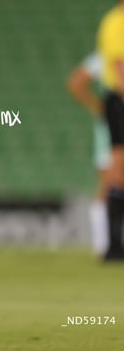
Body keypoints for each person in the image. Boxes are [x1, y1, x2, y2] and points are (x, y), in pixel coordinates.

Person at [66, 52, 112, 256]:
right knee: (108, 185)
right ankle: (102, 244)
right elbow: (77, 82)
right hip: (112, 128)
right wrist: (100, 108)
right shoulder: (106, 57)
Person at [96, 0, 124, 260]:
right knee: (118, 166)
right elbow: (119, 68)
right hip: (118, 99)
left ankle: (116, 243)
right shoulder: (116, 22)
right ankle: (113, 245)